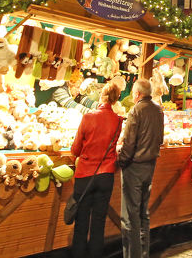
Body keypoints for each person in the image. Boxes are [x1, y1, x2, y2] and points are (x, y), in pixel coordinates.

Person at [70, 81, 124, 258]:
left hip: (85, 173)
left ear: (102, 96)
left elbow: (75, 149)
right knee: (99, 222)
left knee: (81, 221)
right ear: (116, 100)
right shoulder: (118, 121)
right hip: (106, 175)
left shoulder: (88, 117)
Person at [117, 78, 163, 258]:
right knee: (144, 212)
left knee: (130, 216)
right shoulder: (158, 110)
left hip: (134, 167)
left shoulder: (136, 110)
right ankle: (144, 253)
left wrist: (121, 160)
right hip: (150, 166)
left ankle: (132, 255)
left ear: (137, 93)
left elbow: (129, 143)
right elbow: (159, 139)